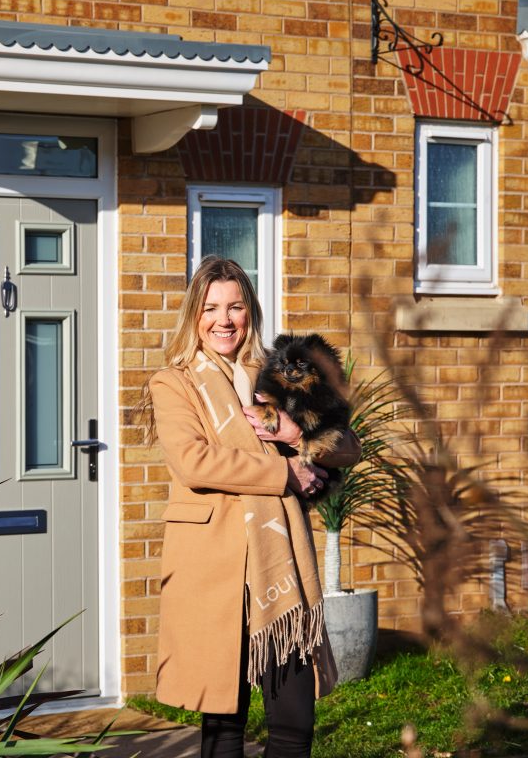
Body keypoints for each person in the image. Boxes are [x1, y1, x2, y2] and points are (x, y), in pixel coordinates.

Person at [138, 257, 361, 758]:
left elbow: (349, 445)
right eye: (211, 308)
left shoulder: (276, 375)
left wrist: (295, 433)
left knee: (294, 723)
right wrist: (286, 472)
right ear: (194, 316)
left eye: (235, 306)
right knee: (224, 725)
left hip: (279, 569)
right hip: (213, 569)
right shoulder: (174, 383)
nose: (224, 320)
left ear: (250, 312)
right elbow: (196, 462)